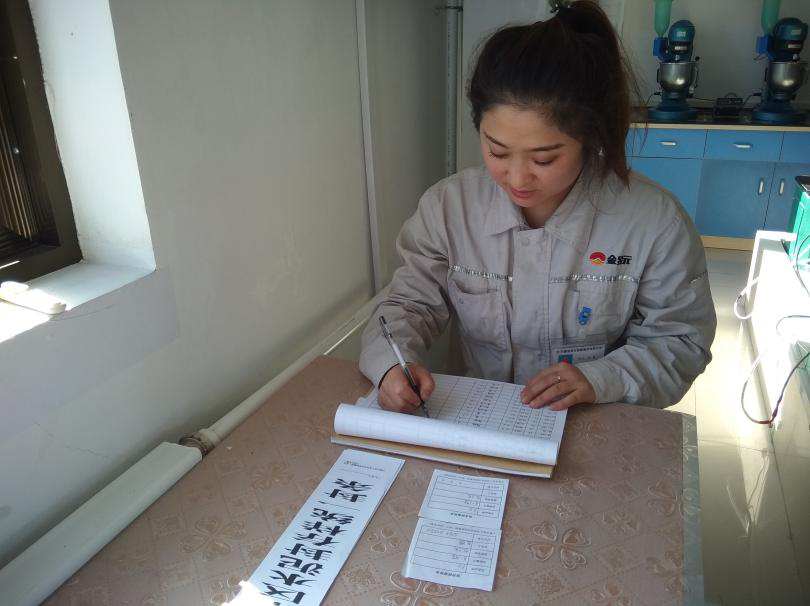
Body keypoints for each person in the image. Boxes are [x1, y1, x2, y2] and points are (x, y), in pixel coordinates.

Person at [359, 0, 716, 414]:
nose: (517, 178)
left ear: (589, 137)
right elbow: (408, 305)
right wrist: (391, 365)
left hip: (593, 420)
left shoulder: (653, 222)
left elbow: (680, 341)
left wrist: (602, 378)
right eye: (497, 151)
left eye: (544, 159)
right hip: (479, 421)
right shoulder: (448, 208)